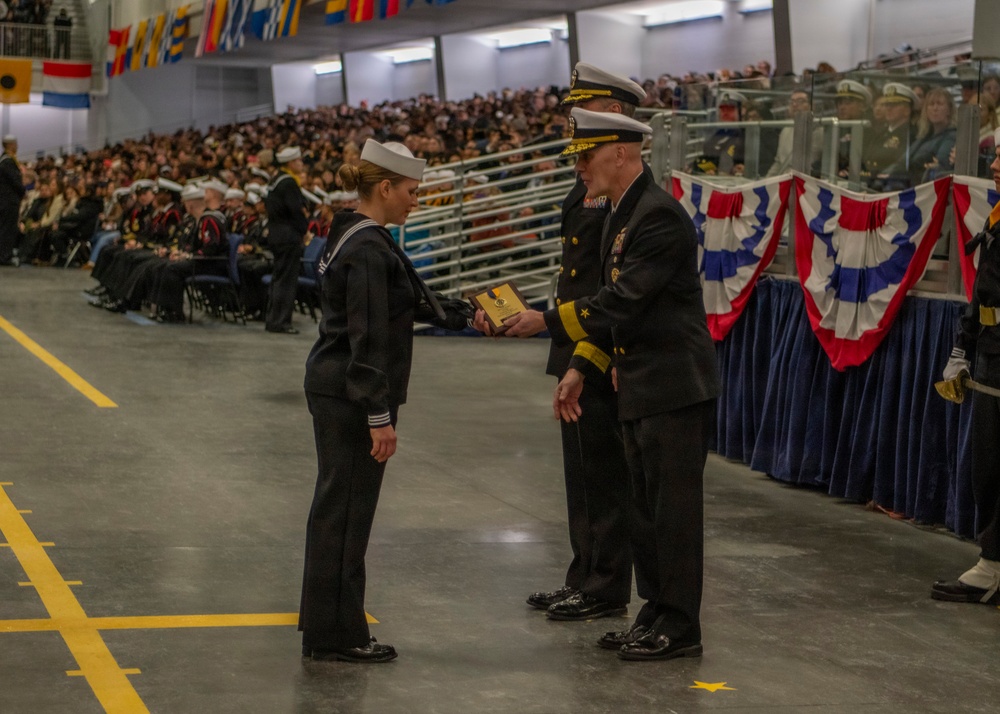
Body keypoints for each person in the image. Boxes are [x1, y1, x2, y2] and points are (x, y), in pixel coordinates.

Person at [504, 108, 720, 661]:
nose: (580, 167)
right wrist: (584, 363)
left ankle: (681, 624)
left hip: (673, 386)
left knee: (672, 514)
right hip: (641, 382)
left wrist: (545, 320)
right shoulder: (624, 215)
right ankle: (654, 611)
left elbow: (622, 300)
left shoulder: (658, 216)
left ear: (619, 152)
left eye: (587, 155)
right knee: (645, 512)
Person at [299, 140, 472, 663]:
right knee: (348, 513)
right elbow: (369, 338)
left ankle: (326, 626)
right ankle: (340, 634)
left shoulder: (348, 229)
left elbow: (402, 299)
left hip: (334, 384)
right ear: (385, 187)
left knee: (335, 508)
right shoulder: (371, 248)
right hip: (354, 393)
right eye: (412, 192)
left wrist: (463, 314)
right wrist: (380, 418)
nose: (415, 201)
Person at [520, 62, 640, 623]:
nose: (572, 119)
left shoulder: (623, 187)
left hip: (596, 341)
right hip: (577, 336)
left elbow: (611, 286)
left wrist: (586, 354)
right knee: (581, 469)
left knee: (603, 472)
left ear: (614, 113)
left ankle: (606, 584)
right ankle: (585, 572)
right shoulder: (587, 180)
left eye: (584, 107)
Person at [933, 130, 1000, 608]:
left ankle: (992, 567)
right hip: (991, 353)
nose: (994, 166)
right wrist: (963, 346)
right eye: (995, 158)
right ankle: (993, 562)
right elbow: (983, 293)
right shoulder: (998, 217)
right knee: (987, 466)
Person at [264, 146, 310, 334]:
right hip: (288, 236)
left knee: (278, 279)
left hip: (275, 234)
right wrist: (304, 229)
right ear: (291, 163)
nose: (301, 164)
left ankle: (273, 319)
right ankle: (281, 322)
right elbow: (296, 211)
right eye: (298, 161)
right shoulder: (289, 182)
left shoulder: (274, 180)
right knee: (287, 281)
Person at [0, 135, 25, 267]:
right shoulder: (8, 162)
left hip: (4, 201)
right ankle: (4, 256)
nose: (17, 146)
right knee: (7, 229)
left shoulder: (2, 160)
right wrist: (23, 191)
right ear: (11, 145)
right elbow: (15, 182)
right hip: (9, 202)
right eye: (15, 144)